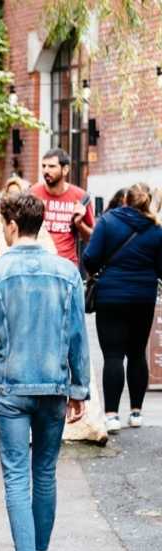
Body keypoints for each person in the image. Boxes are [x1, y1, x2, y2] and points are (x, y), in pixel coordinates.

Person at [0, 192, 90, 551]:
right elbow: (77, 335)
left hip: (9, 387)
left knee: (16, 474)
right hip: (53, 385)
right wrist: (79, 388)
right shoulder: (67, 273)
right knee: (45, 472)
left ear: (12, 226)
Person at [83, 183, 162, 432]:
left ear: (125, 199)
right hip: (143, 298)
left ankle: (112, 416)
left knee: (113, 356)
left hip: (111, 296)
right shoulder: (156, 228)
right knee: (137, 354)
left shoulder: (107, 222)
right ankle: (136, 412)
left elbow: (90, 258)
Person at [30, 148, 95, 268]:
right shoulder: (33, 194)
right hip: (37, 264)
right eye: (43, 166)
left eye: (51, 166)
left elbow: (92, 238)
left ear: (65, 170)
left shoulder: (80, 197)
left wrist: (79, 224)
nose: (46, 170)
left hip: (66, 266)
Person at [0, 177, 57, 261]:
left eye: (17, 193)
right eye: (10, 193)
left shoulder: (33, 219)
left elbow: (49, 248)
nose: (13, 197)